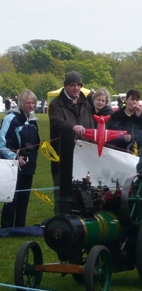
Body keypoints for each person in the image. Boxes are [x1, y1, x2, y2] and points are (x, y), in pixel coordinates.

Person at [49, 71, 94, 213]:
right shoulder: (56, 103)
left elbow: (90, 124)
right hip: (62, 155)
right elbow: (56, 122)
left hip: (83, 154)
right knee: (61, 193)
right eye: (72, 85)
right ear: (65, 86)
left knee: (82, 191)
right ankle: (59, 225)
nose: (76, 88)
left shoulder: (85, 102)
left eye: (78, 85)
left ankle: (77, 223)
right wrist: (72, 127)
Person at [0, 89, 40, 228]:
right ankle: (6, 227)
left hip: (28, 166)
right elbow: (2, 142)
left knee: (24, 198)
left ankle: (20, 227)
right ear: (21, 103)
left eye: (33, 103)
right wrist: (15, 157)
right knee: (12, 198)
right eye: (28, 103)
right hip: (13, 165)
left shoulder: (33, 120)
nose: (31, 105)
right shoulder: (11, 118)